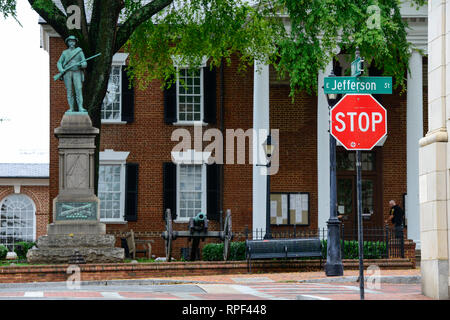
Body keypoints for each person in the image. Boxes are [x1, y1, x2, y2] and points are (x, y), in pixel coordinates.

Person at [57, 35, 87, 112]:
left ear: (75, 42)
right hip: (67, 73)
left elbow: (84, 62)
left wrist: (81, 64)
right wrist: (61, 69)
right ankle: (71, 108)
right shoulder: (64, 53)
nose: (72, 43)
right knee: (69, 91)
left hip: (77, 72)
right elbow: (59, 62)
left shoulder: (79, 51)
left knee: (78, 89)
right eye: (70, 41)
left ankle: (80, 107)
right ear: (68, 42)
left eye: (73, 41)